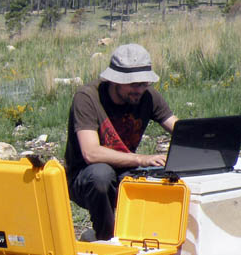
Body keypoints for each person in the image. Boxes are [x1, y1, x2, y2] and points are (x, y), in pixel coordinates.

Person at [65, 44, 178, 241]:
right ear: (114, 81)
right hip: (85, 177)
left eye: (144, 84)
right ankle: (105, 240)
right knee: (101, 174)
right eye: (134, 85)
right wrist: (142, 159)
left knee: (167, 177)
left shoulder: (148, 96)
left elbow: (179, 129)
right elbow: (91, 153)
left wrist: (206, 141)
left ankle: (151, 238)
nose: (140, 90)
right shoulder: (87, 98)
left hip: (125, 171)